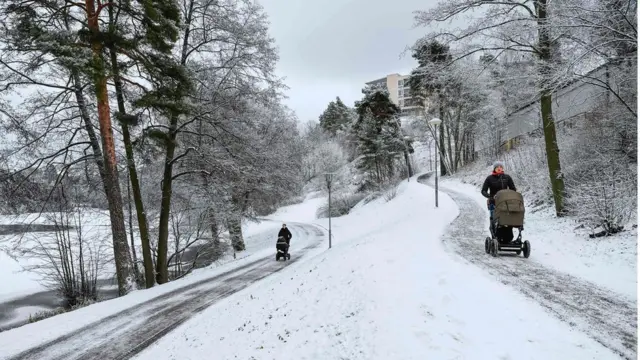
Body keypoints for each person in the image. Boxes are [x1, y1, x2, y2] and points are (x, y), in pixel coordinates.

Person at [481, 161, 517, 236]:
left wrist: (509, 195)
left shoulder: (507, 177)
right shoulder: (489, 178)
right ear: (494, 169)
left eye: (501, 167)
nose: (499, 168)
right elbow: (483, 191)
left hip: (505, 202)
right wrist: (490, 196)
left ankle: (507, 236)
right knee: (494, 220)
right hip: (493, 203)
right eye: (497, 167)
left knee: (506, 220)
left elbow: (513, 189)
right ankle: (494, 235)